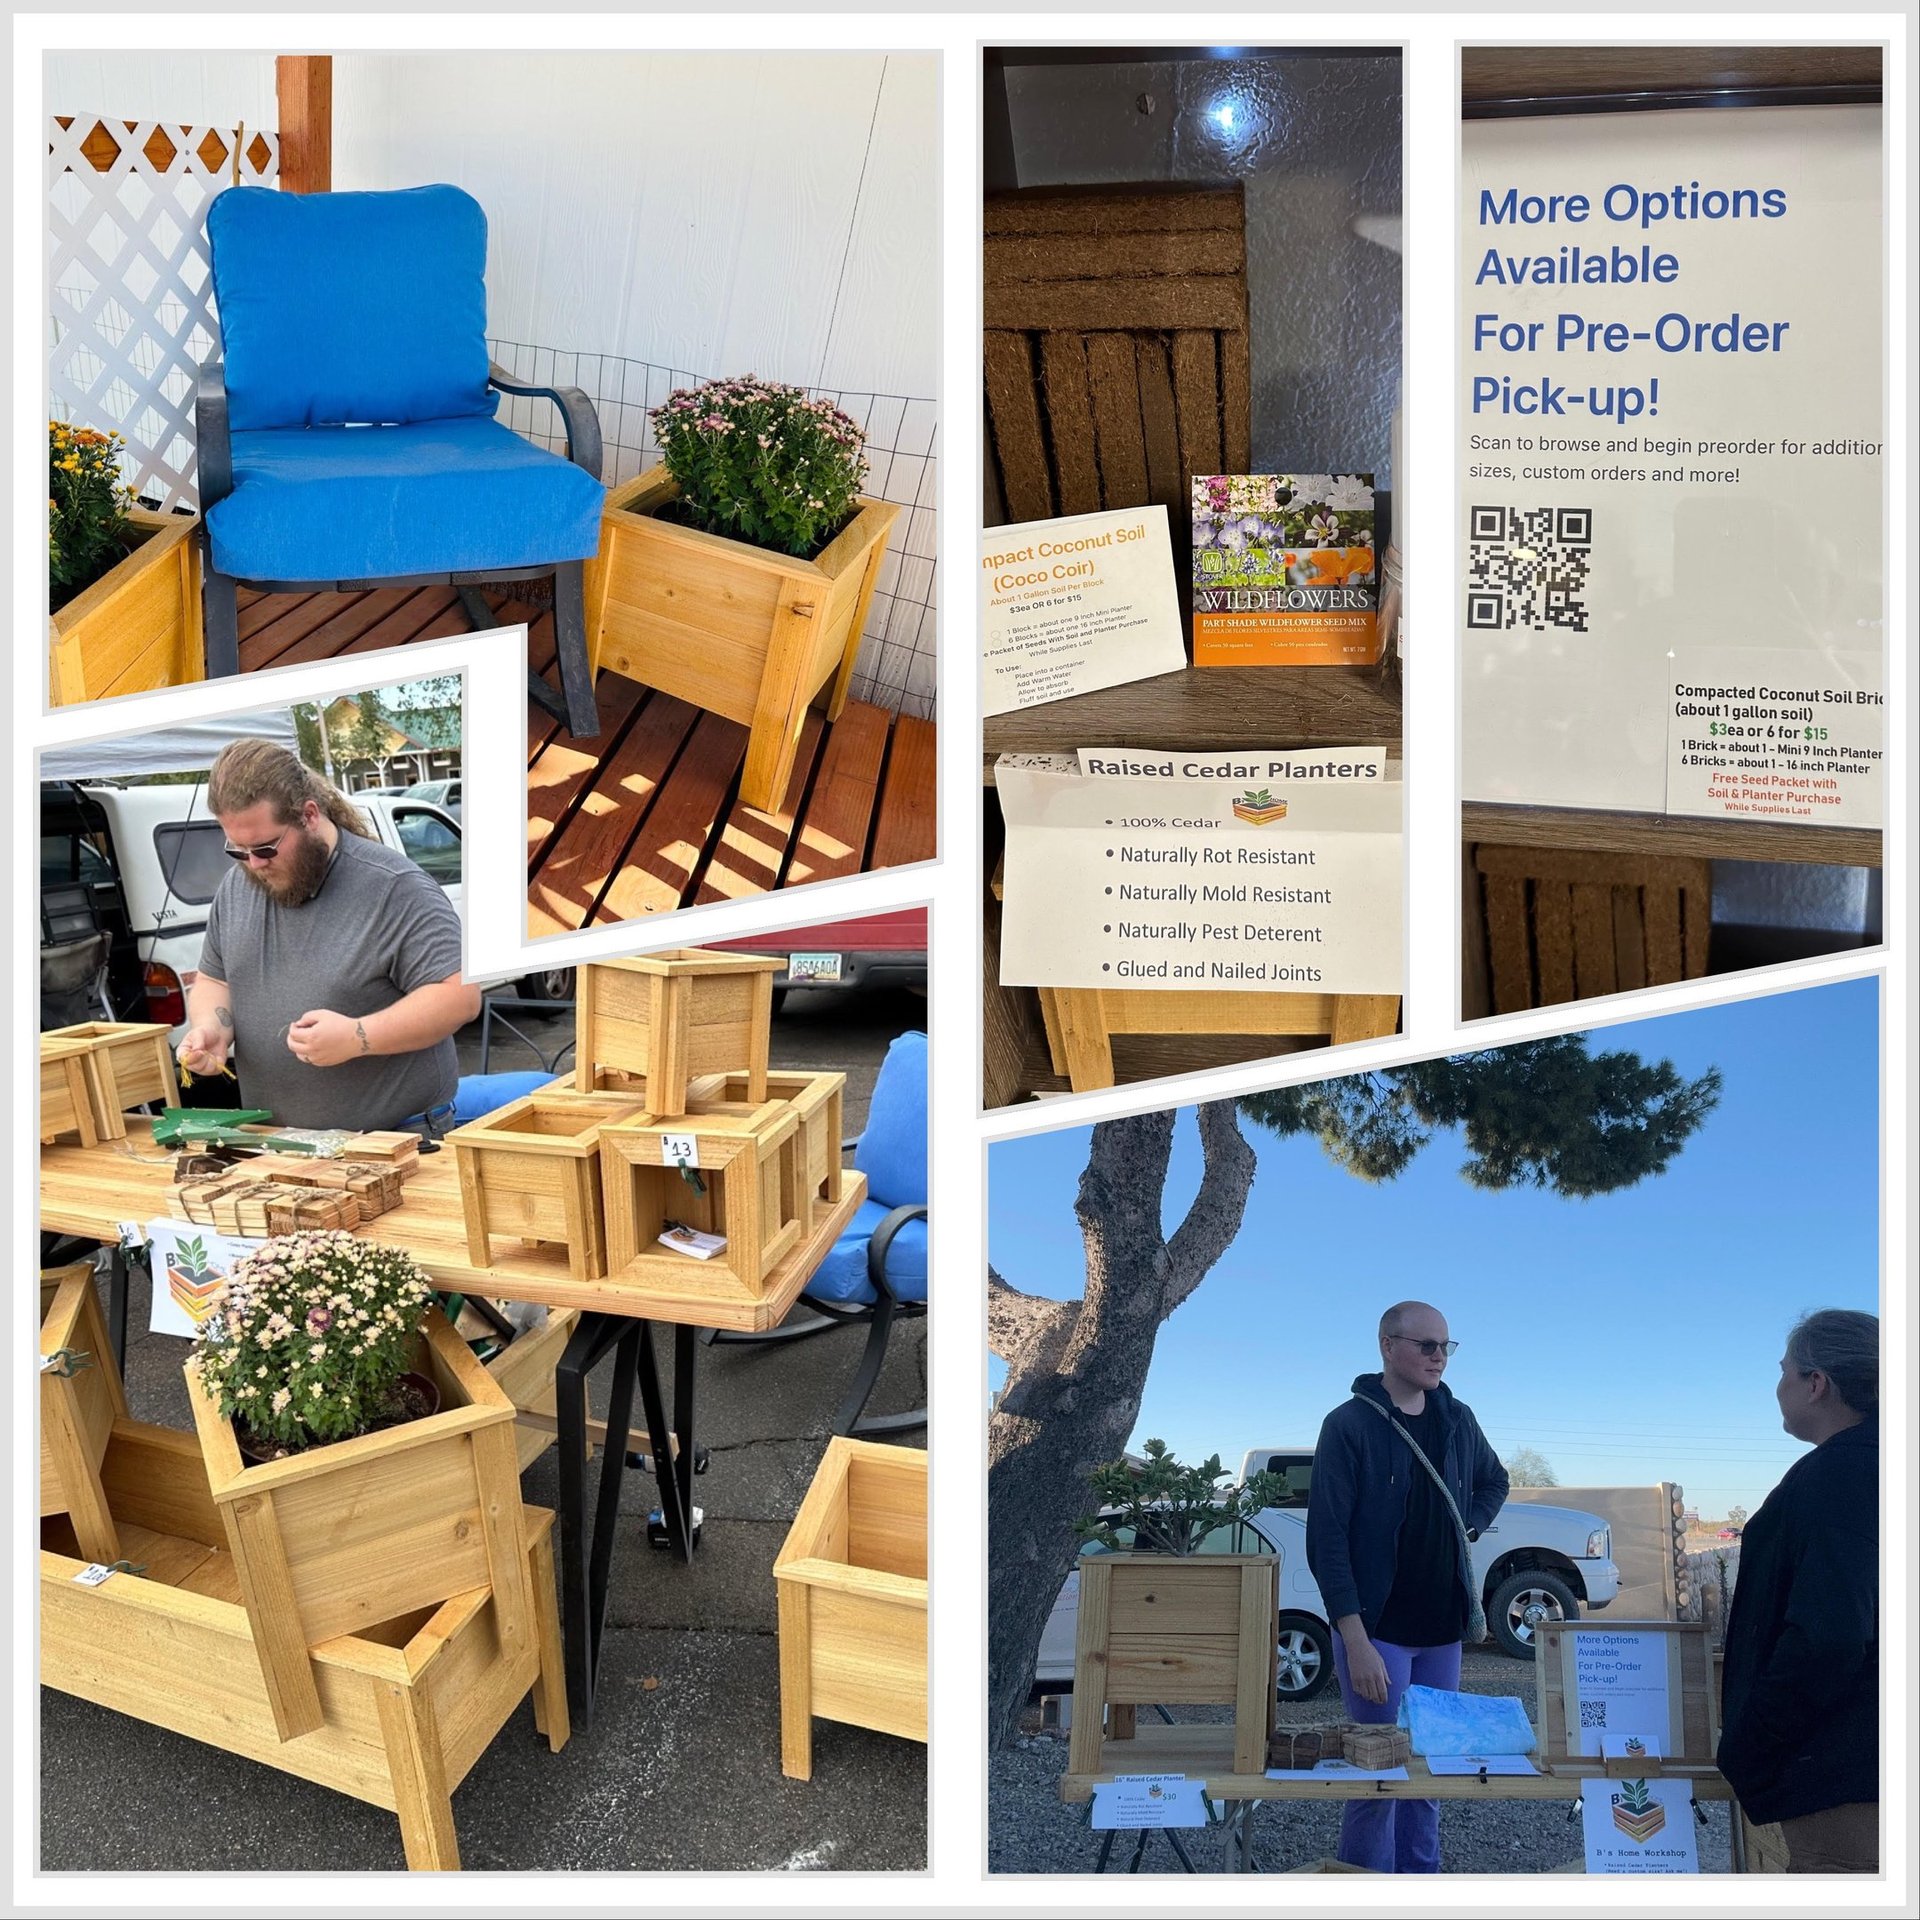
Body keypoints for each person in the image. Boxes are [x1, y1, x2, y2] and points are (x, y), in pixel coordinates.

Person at [176, 739, 479, 1133]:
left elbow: (460, 996)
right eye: (238, 850)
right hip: (279, 1145)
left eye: (266, 848)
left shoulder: (395, 887)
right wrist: (212, 1029)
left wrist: (358, 1036)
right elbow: (215, 979)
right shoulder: (236, 888)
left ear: (309, 815)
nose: (253, 864)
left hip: (397, 1140)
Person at [1305, 1300, 1508, 1874]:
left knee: (1432, 1773)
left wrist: (1467, 1521)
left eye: (1446, 1346)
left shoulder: (1458, 1418)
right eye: (1425, 1345)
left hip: (1442, 1630)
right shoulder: (1349, 1425)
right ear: (1387, 1346)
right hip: (1378, 1632)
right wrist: (1357, 1639)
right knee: (1377, 1776)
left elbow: (1496, 1478)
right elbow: (1327, 1541)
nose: (1438, 1356)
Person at [1717, 1309, 1878, 1873]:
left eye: (1784, 1371)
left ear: (1817, 1383)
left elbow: (1828, 1639)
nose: (1777, 1386)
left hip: (1848, 1783)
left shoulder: (1839, 1477)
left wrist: (1751, 1743)